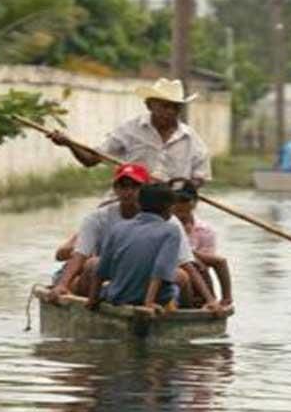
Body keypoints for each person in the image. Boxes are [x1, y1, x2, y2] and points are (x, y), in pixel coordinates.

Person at [48, 163, 217, 309]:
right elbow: (81, 256)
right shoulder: (99, 218)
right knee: (92, 264)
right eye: (123, 186)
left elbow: (185, 265)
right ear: (115, 189)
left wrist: (210, 299)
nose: (128, 192)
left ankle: (183, 313)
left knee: (182, 276)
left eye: (135, 187)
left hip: (145, 279)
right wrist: (64, 285)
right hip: (115, 278)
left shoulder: (170, 223)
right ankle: (93, 302)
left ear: (144, 191)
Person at [48, 78, 211, 185]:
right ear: (149, 105)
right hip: (129, 205)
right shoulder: (129, 131)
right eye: (164, 106)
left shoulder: (191, 140)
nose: (170, 112)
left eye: (175, 107)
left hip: (169, 209)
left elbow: (200, 177)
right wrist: (69, 144)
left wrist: (183, 188)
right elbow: (91, 160)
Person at [87, 183, 194, 314]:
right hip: (153, 299)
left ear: (138, 204)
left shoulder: (119, 228)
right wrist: (148, 303)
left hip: (116, 297)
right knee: (176, 288)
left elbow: (102, 268)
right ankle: (188, 310)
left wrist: (92, 299)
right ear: (170, 208)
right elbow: (160, 269)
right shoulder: (171, 230)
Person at [169, 178, 233, 307]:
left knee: (206, 264)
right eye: (174, 200)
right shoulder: (161, 223)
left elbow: (202, 265)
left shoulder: (205, 231)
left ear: (194, 202)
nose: (179, 204)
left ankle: (222, 300)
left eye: (184, 200)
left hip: (194, 276)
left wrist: (188, 251)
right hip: (167, 271)